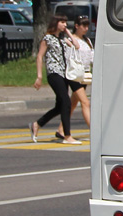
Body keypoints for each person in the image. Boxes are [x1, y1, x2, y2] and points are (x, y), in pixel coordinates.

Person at [30, 15, 81, 144]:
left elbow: (76, 45)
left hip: (64, 74)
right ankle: (67, 136)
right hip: (54, 73)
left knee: (60, 106)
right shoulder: (48, 38)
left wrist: (68, 32)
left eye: (66, 23)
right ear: (56, 23)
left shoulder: (63, 39)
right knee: (66, 102)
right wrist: (39, 76)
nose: (65, 24)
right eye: (62, 22)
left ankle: (37, 124)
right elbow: (39, 57)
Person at [56, 16, 93, 139]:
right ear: (76, 26)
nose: (86, 28)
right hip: (74, 75)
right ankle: (94, 131)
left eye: (87, 26)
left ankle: (61, 129)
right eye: (83, 26)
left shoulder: (87, 40)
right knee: (85, 102)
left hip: (84, 74)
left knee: (72, 103)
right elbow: (69, 56)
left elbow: (91, 56)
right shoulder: (70, 39)